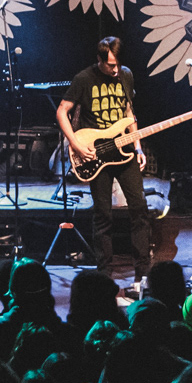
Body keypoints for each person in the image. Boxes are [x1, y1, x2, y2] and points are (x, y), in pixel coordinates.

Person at [57, 37, 152, 278]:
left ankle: (143, 270)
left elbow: (129, 113)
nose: (115, 69)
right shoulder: (84, 79)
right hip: (96, 155)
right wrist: (76, 144)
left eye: (117, 64)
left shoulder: (126, 75)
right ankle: (104, 274)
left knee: (139, 208)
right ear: (99, 60)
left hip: (124, 150)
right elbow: (62, 111)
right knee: (103, 215)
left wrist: (138, 148)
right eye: (110, 65)